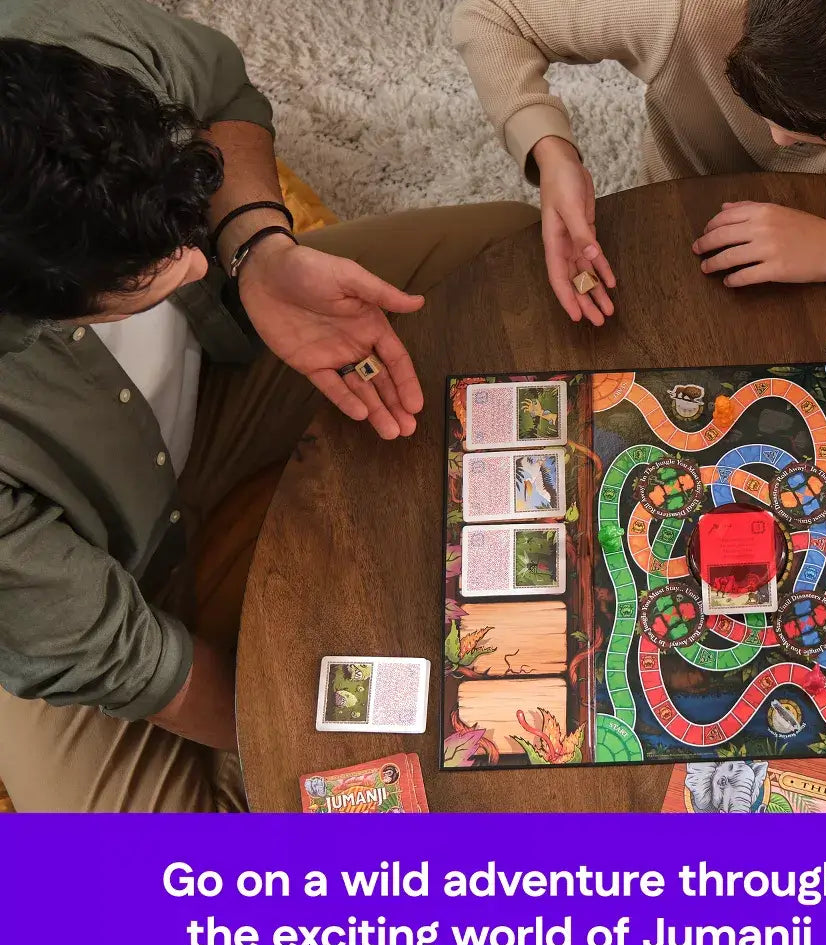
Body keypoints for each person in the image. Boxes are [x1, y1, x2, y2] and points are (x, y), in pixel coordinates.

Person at [0, 0, 539, 812]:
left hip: (232, 361)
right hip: (93, 583)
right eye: (150, 273)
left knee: (508, 254)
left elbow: (220, 89)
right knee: (145, 909)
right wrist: (315, 733)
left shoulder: (51, 43)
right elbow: (130, 661)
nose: (192, 262)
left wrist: (257, 248)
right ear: (36, 314)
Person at [454, 0, 826, 321]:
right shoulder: (679, 9)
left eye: (819, 130)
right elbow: (495, 14)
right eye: (753, 98)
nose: (779, 140)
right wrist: (553, 155)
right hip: (674, 213)